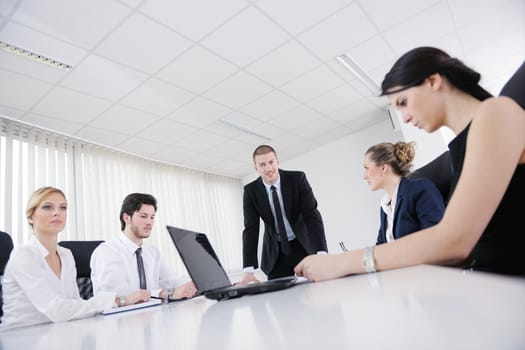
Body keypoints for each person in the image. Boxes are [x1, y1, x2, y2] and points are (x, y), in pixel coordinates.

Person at [295, 47, 525, 281]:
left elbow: (456, 241)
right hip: (491, 285)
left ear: (433, 81)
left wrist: (342, 262)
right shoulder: (461, 146)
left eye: (403, 102)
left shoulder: (497, 111)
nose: (403, 117)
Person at [0, 187, 149, 329]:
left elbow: (75, 305)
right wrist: (118, 301)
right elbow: (57, 310)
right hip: (20, 338)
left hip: (58, 333)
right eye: (47, 207)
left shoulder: (66, 255)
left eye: (63, 207)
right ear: (31, 217)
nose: (57, 212)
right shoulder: (24, 255)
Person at [240, 145, 327, 284]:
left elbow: (311, 215)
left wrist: (321, 252)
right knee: (279, 299)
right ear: (256, 168)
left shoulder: (297, 179)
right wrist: (248, 270)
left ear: (277, 161)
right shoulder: (251, 191)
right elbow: (251, 228)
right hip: (276, 252)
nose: (268, 168)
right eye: (262, 164)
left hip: (302, 245)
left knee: (314, 291)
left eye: (271, 162)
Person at [90, 193, 197, 302]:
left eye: (152, 217)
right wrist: (162, 293)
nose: (149, 222)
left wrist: (195, 284)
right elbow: (120, 295)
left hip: (152, 314)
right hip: (118, 317)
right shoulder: (106, 251)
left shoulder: (153, 252)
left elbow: (171, 281)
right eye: (143, 216)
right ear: (126, 218)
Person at [364, 141, 444, 244]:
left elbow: (436, 239)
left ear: (383, 168)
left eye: (366, 168)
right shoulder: (385, 206)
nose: (364, 176)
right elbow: (381, 247)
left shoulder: (420, 189)